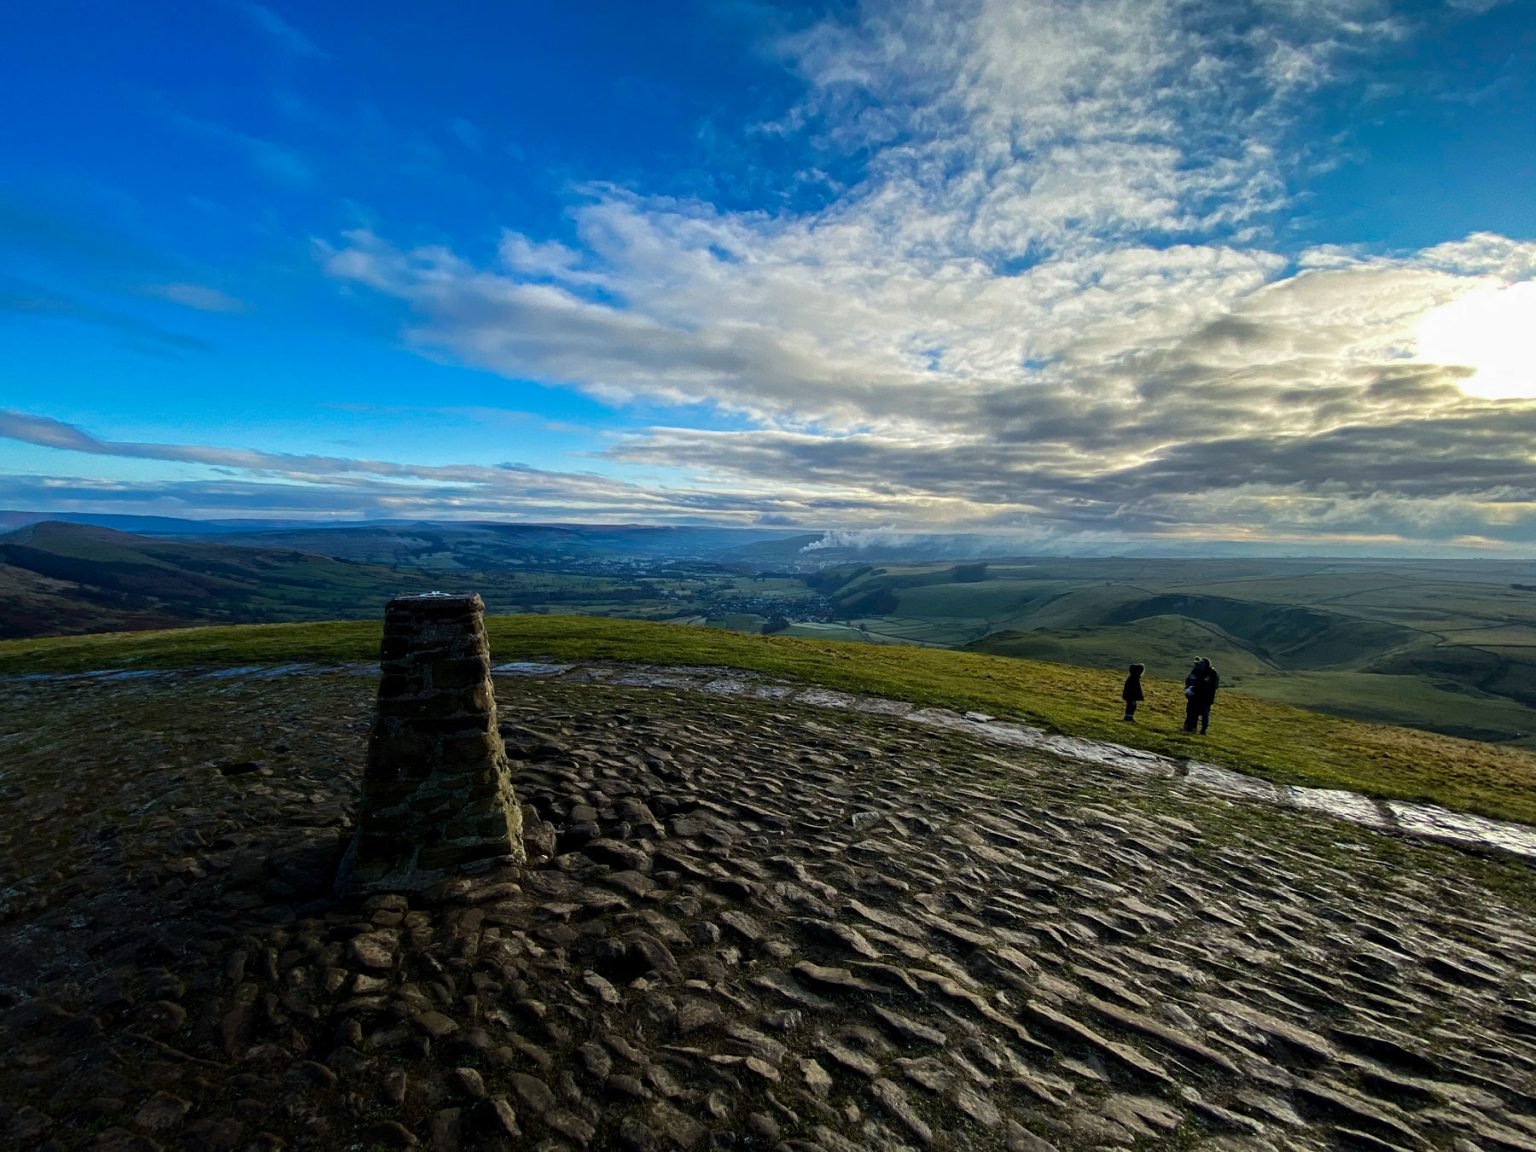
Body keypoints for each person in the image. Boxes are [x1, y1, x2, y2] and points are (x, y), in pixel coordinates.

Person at [1183, 657, 1219, 734]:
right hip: (1194, 696)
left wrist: (1193, 688)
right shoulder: (1196, 670)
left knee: (1204, 714)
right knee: (1191, 711)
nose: (1197, 666)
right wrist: (1188, 688)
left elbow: (1207, 685)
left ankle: (1203, 730)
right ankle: (1190, 728)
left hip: (1206, 698)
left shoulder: (1212, 673)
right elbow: (1189, 679)